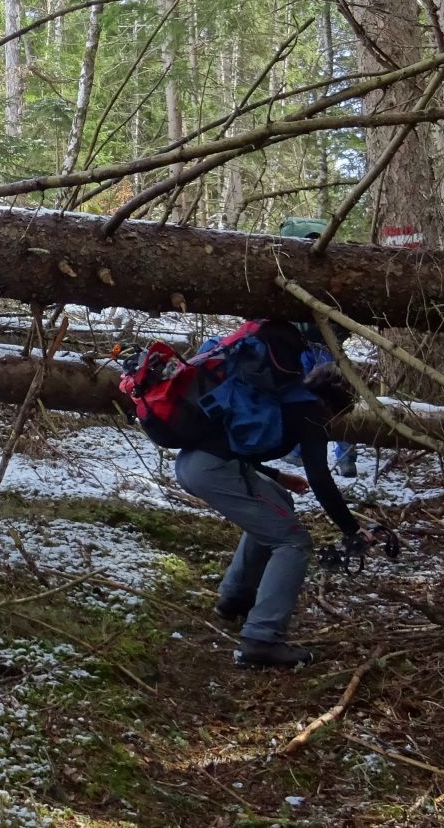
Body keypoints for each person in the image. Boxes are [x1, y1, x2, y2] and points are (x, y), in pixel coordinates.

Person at [173, 320, 380, 668]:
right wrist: (351, 529)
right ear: (338, 404)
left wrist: (278, 477)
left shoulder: (286, 397)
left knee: (278, 506)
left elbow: (236, 446)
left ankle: (235, 600)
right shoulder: (312, 411)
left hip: (195, 465)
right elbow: (320, 477)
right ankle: (262, 640)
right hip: (212, 470)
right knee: (293, 542)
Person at [278, 216, 358, 477]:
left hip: (307, 344)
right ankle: (345, 457)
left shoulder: (290, 260)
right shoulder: (335, 262)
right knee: (334, 397)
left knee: (307, 395)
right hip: (329, 343)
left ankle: (302, 452)